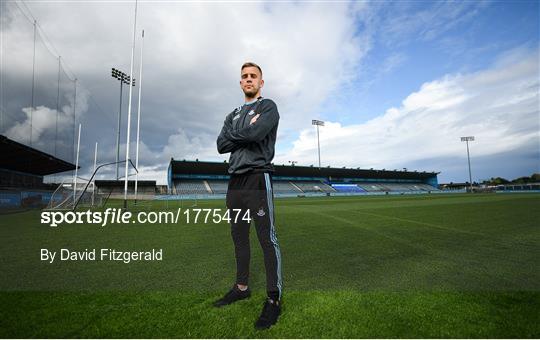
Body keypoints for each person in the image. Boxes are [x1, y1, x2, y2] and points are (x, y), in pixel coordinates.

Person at [215, 62, 283, 330]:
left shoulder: (268, 107)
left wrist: (237, 135)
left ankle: (274, 300)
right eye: (244, 76)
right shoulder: (232, 113)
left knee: (267, 238)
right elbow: (221, 145)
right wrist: (242, 134)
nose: (248, 79)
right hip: (235, 182)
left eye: (253, 76)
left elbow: (256, 133)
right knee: (239, 237)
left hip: (258, 176)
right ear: (240, 82)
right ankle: (241, 287)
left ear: (261, 82)